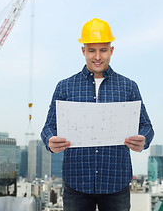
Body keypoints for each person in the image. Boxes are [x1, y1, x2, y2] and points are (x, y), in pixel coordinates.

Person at [41, 18, 154, 211]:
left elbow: (146, 127)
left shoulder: (128, 87)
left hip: (115, 182)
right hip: (76, 182)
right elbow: (49, 127)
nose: (98, 56)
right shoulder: (65, 87)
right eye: (92, 50)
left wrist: (144, 139)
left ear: (111, 50)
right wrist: (50, 140)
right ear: (83, 51)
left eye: (103, 50)